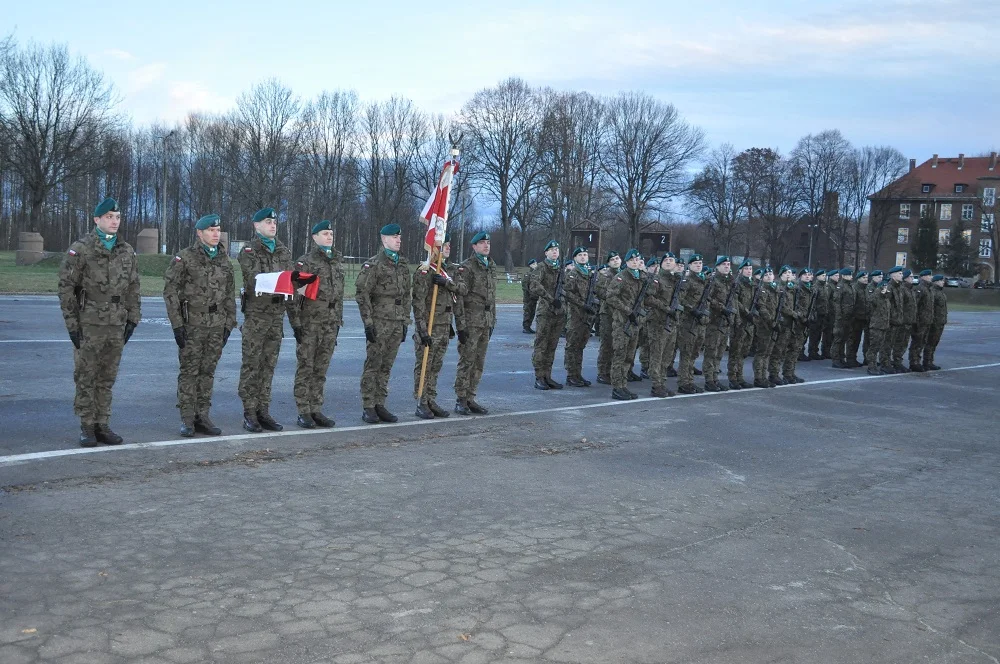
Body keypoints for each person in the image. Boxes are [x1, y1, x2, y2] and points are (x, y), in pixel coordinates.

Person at [58, 197, 141, 447]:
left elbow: (133, 286)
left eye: (117, 217)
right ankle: (86, 426)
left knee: (107, 377)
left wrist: (133, 319)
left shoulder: (126, 250)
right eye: (109, 217)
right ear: (97, 220)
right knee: (86, 375)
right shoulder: (81, 248)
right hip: (90, 322)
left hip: (116, 322)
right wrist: (72, 325)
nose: (114, 222)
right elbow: (66, 288)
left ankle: (102, 424)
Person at [163, 213, 236, 437]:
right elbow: (170, 291)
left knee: (208, 372)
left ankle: (202, 416)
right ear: (199, 233)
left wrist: (228, 325)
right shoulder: (184, 258)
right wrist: (177, 325)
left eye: (218, 230)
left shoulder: (224, 259)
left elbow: (229, 294)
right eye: (211, 230)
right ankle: (187, 419)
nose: (216, 234)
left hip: (216, 324)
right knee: (189, 372)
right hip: (192, 324)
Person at [237, 207, 295, 432]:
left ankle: (263, 409)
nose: (273, 225)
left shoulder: (283, 251)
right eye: (268, 222)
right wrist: (283, 280)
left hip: (276, 316)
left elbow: (289, 282)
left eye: (274, 222)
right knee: (252, 364)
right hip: (257, 316)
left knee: (269, 365)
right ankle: (249, 411)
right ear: (256, 225)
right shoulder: (249, 251)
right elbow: (255, 280)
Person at [288, 220, 345, 429]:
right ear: (314, 237)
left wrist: (338, 321)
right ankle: (303, 411)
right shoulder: (306, 262)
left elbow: (338, 295)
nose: (329, 237)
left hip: (330, 323)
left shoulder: (337, 261)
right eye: (324, 233)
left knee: (321, 369)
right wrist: (296, 324)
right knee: (306, 367)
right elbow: (295, 295)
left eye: (331, 233)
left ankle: (316, 409)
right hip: (310, 322)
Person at [356, 224, 411, 424]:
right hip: (379, 322)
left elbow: (406, 296)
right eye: (394, 237)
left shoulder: (402, 265)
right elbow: (363, 294)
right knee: (373, 365)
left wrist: (405, 321)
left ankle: (380, 403)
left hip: (396, 322)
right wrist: (368, 323)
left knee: (386, 366)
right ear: (384, 239)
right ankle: (368, 406)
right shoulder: (374, 264)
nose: (398, 240)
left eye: (399, 237)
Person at [412, 237, 459, 419]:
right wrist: (422, 330)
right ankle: (421, 402)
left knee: (436, 366)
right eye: (444, 245)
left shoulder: (447, 271)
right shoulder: (425, 272)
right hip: (429, 327)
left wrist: (446, 283)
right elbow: (418, 303)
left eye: (448, 245)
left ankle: (431, 399)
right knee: (424, 365)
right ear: (435, 249)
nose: (448, 247)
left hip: (443, 326)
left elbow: (461, 290)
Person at [453, 231, 497, 414]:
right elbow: (459, 298)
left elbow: (492, 297)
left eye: (488, 242)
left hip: (486, 321)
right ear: (474, 246)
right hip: (471, 322)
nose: (486, 245)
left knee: (479, 362)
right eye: (482, 243)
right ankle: (461, 399)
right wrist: (461, 325)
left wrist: (493, 320)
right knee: (467, 360)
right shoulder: (467, 267)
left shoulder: (491, 266)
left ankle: (471, 397)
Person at [605, 249, 647, 400]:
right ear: (627, 262)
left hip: (635, 323)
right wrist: (628, 311)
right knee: (619, 355)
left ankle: (624, 385)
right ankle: (617, 388)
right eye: (632, 260)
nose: (635, 262)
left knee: (629, 357)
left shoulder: (642, 278)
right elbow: (610, 297)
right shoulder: (621, 277)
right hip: (622, 323)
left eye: (638, 259)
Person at [531, 240, 566, 390]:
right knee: (541, 345)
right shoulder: (541, 267)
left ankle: (547, 375)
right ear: (546, 253)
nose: (554, 252)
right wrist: (551, 299)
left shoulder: (561, 269)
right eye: (551, 250)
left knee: (552, 346)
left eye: (556, 250)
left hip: (558, 313)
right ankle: (539, 377)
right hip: (545, 311)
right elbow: (534, 285)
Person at [643, 253, 680, 398]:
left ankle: (662, 383)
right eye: (666, 260)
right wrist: (665, 308)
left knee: (667, 356)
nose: (669, 262)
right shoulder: (657, 279)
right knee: (657, 355)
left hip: (671, 322)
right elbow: (648, 298)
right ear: (661, 264)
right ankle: (656, 385)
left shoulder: (677, 280)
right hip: (658, 322)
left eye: (672, 260)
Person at [563, 247, 597, 386]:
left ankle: (578, 374)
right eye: (580, 255)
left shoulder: (589, 274)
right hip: (576, 315)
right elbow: (566, 293)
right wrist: (582, 304)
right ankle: (571, 375)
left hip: (586, 316)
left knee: (580, 346)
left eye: (585, 254)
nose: (583, 257)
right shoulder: (573, 274)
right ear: (575, 258)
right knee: (572, 346)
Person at [676, 254, 710, 394]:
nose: (698, 265)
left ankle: (689, 380)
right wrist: (692, 309)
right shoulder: (686, 281)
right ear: (689, 266)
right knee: (687, 353)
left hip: (700, 322)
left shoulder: (703, 281)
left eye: (700, 263)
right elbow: (680, 300)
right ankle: (684, 382)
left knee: (694, 354)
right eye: (695, 263)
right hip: (688, 322)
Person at [703, 256, 734, 392]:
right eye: (724, 264)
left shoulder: (730, 282)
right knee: (711, 352)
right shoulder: (712, 281)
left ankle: (715, 378)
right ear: (717, 266)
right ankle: (709, 380)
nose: (727, 266)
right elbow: (708, 298)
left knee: (719, 353)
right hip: (715, 321)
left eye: (728, 264)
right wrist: (722, 308)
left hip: (725, 322)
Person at [726, 259, 755, 389]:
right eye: (746, 269)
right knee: (735, 352)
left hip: (749, 323)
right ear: (741, 270)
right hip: (740, 321)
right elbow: (736, 301)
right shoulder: (737, 284)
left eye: (750, 269)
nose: (749, 271)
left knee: (743, 352)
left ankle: (740, 376)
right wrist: (746, 312)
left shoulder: (753, 284)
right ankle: (733, 378)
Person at [595, 251, 621, 384]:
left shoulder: (623, 275)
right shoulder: (605, 276)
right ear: (608, 263)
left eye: (617, 258)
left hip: (620, 314)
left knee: (616, 344)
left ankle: (612, 370)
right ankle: (602, 372)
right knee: (606, 343)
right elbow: (600, 292)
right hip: (607, 313)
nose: (616, 261)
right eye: (612, 260)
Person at [781, 268, 811, 384]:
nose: (807, 277)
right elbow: (796, 305)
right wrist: (801, 318)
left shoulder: (808, 288)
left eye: (809, 275)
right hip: (795, 321)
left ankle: (790, 373)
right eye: (805, 275)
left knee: (796, 349)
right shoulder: (797, 288)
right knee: (788, 349)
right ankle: (786, 374)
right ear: (800, 276)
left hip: (802, 321)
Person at [768, 266, 796, 385]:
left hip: (790, 323)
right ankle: (773, 374)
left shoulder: (792, 288)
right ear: (781, 275)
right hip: (782, 322)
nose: (788, 275)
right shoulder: (778, 288)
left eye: (790, 272)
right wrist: (795, 314)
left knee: (784, 350)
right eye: (785, 273)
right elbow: (781, 306)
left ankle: (785, 373)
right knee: (777, 350)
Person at [751, 267, 778, 388]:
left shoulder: (775, 290)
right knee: (761, 352)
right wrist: (771, 321)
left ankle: (764, 376)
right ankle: (758, 377)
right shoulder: (761, 290)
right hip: (764, 325)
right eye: (766, 275)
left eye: (770, 274)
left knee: (768, 352)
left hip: (774, 325)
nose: (769, 276)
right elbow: (761, 307)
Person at [867, 273, 892, 375]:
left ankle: (877, 366)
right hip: (876, 326)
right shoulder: (876, 297)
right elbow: (870, 300)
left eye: (886, 286)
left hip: (884, 326)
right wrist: (879, 291)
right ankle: (871, 367)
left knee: (880, 346)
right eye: (884, 286)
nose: (885, 288)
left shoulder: (885, 298)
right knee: (873, 347)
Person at [909, 269, 934, 372]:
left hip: (926, 321)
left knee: (922, 342)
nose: (931, 277)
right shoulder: (920, 289)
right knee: (917, 342)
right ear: (923, 277)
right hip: (920, 321)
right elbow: (916, 306)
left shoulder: (929, 289)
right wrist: (917, 320)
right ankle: (914, 362)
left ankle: (918, 361)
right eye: (929, 276)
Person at [830, 268, 855, 368]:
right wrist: (839, 317)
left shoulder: (849, 286)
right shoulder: (841, 286)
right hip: (841, 318)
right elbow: (837, 303)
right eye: (849, 275)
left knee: (844, 338)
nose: (851, 277)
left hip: (848, 318)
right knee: (838, 339)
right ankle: (835, 359)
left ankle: (841, 358)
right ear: (844, 276)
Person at [894, 269, 917, 372]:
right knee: (899, 343)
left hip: (909, 321)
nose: (913, 278)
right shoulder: (902, 289)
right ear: (906, 278)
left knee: (903, 344)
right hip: (903, 321)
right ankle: (897, 363)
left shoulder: (910, 290)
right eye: (911, 277)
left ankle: (898, 362)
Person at [924, 275, 948, 370]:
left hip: (940, 321)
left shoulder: (940, 292)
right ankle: (927, 361)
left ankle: (930, 361)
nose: (943, 282)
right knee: (930, 342)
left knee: (934, 342)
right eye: (941, 281)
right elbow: (930, 308)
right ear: (936, 282)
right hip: (934, 322)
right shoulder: (933, 292)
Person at [846, 271, 868, 367]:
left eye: (867, 277)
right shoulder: (855, 288)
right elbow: (852, 304)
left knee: (857, 339)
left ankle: (853, 358)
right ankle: (850, 359)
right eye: (863, 278)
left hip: (862, 318)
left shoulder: (865, 289)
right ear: (858, 278)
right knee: (852, 339)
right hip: (854, 319)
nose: (866, 279)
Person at [886, 266, 906, 373]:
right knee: (887, 344)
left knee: (896, 343)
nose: (902, 275)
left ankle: (894, 363)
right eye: (899, 274)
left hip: (898, 320)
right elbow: (885, 305)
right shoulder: (889, 287)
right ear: (893, 275)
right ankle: (885, 364)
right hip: (890, 321)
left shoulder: (900, 288)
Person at [806, 267, 826, 360]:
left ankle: (815, 351)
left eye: (825, 275)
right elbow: (813, 302)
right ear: (818, 277)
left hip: (822, 314)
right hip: (816, 314)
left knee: (818, 334)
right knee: (813, 334)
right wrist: (813, 313)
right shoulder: (815, 287)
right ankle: (812, 351)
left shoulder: (824, 287)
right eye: (822, 276)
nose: (824, 277)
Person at [522, 258, 539, 334]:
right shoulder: (528, 274)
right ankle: (526, 327)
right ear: (531, 265)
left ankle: (529, 326)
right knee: (528, 312)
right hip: (528, 297)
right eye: (534, 264)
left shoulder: (535, 274)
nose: (536, 265)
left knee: (532, 312)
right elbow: (525, 287)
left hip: (534, 297)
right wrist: (529, 295)